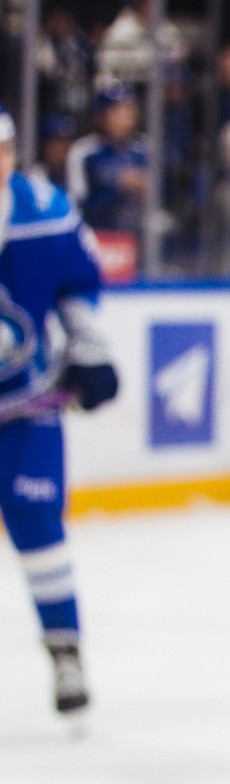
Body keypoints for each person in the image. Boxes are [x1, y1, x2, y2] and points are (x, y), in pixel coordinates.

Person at [0, 103, 119, 717]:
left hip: (26, 404)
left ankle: (65, 652)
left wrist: (89, 351)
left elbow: (77, 284)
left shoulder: (45, 211)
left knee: (38, 522)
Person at [64, 83, 147, 236]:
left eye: (129, 109)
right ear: (101, 116)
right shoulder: (84, 151)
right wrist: (118, 187)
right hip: (99, 235)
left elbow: (167, 199)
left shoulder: (146, 150)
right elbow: (77, 205)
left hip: (141, 237)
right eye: (116, 111)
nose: (124, 116)